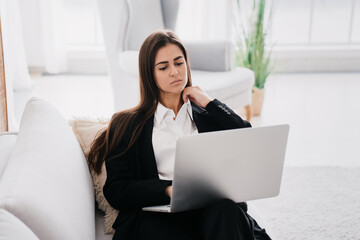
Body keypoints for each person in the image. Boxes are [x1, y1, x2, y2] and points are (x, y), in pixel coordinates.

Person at [88, 30, 271, 240]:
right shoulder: (127, 123)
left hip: (211, 209)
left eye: (179, 63)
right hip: (162, 215)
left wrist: (211, 102)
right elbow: (116, 190)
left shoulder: (207, 114)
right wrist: (167, 190)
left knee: (226, 212)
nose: (175, 72)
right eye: (163, 67)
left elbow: (247, 140)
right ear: (150, 74)